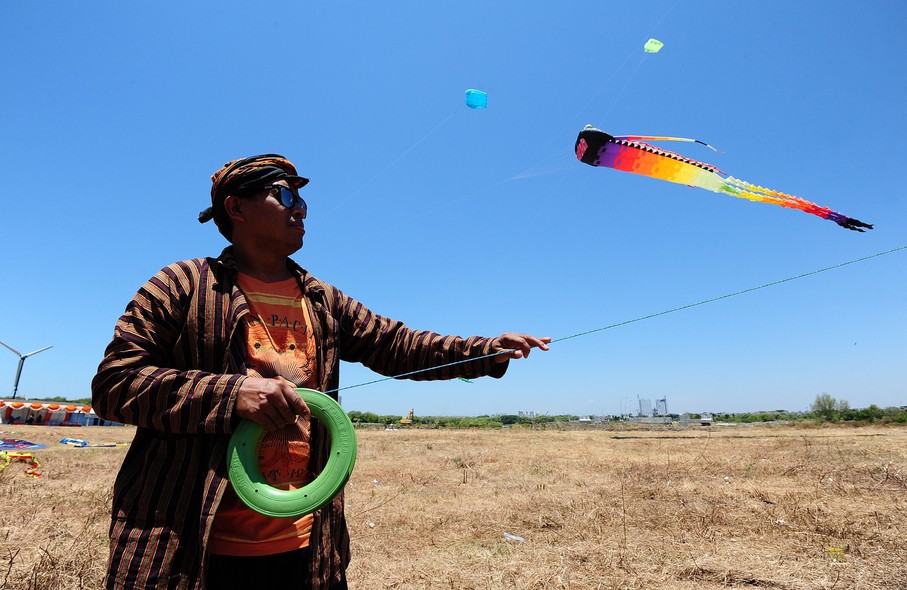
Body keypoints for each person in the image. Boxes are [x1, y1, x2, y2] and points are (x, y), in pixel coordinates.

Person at [91, 153, 550, 590]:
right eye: (285, 196)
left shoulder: (323, 300)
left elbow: (398, 345)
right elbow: (115, 383)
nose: (301, 209)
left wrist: (485, 351)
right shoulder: (182, 285)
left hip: (307, 550)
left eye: (303, 199)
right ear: (236, 207)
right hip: (190, 548)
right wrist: (232, 396)